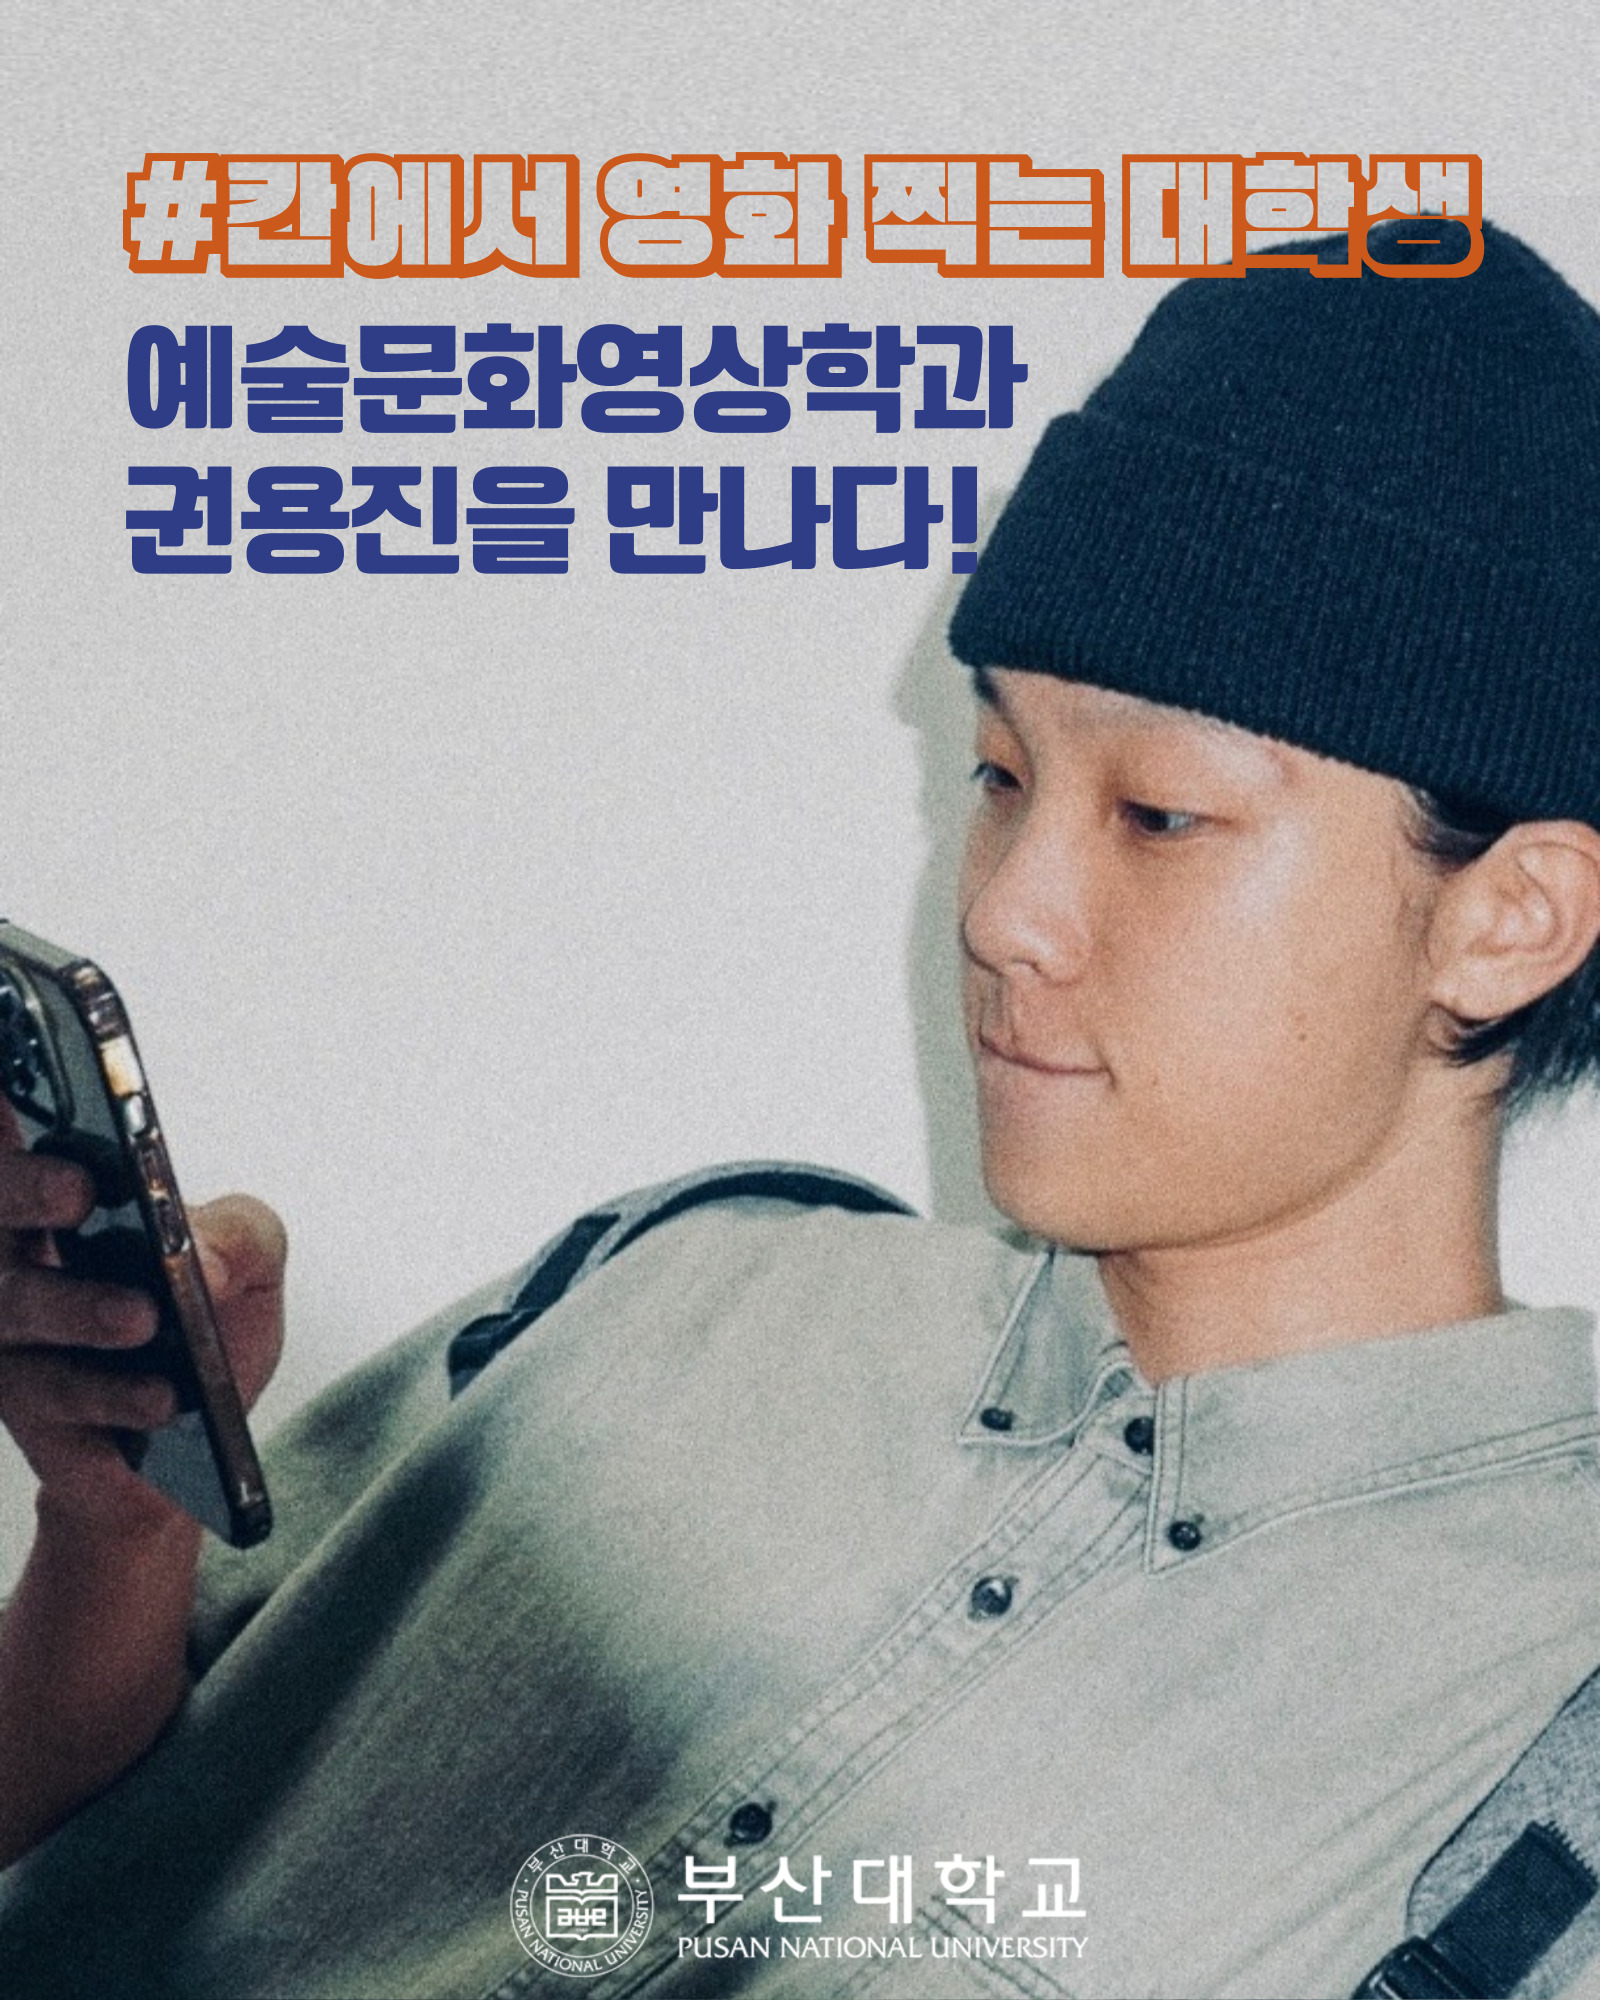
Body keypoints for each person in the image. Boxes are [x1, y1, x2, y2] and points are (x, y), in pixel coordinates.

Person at [3, 218, 1600, 2000]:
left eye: (1161, 815)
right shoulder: (679, 1290)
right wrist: (113, 1536)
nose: (1006, 912)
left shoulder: (1550, 1729)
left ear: (1510, 918)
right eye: (1000, 775)